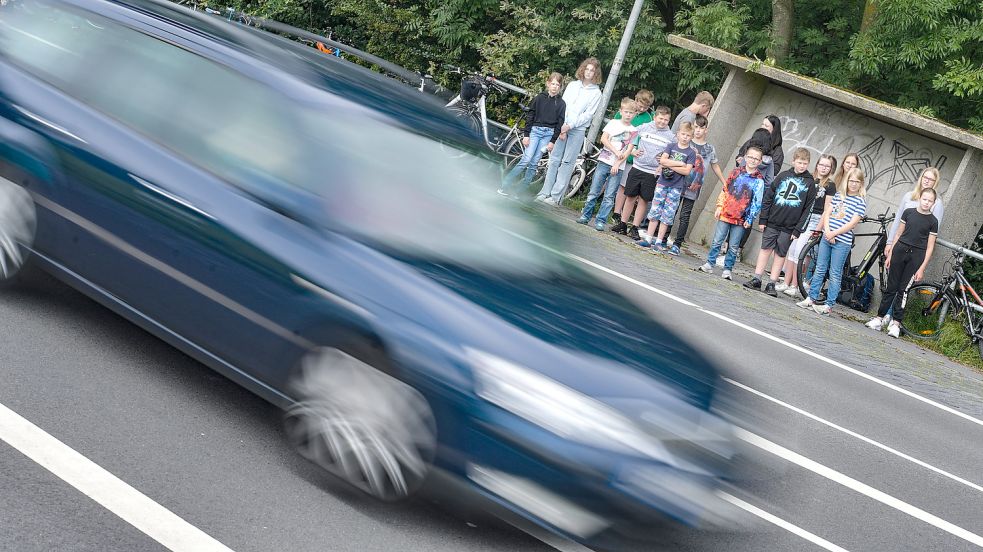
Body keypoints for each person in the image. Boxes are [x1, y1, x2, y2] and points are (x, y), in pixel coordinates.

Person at [866, 188, 939, 338]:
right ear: (920, 198)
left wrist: (922, 268)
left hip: (916, 256)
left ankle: (896, 323)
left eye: (930, 201)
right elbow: (898, 233)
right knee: (891, 287)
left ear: (933, 203)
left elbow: (930, 247)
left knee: (903, 290)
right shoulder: (909, 213)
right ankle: (879, 318)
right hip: (899, 251)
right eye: (924, 199)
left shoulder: (933, 221)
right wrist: (891, 254)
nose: (926, 202)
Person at [744, 148, 816, 296]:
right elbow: (768, 197)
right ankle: (757, 278)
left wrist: (798, 230)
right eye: (800, 162)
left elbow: (808, 209)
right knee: (765, 249)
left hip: (789, 227)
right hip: (772, 221)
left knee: (780, 254)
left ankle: (772, 282)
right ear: (794, 161)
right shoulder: (783, 176)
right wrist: (763, 219)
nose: (802, 166)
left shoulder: (810, 184)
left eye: (805, 163)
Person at [797, 167, 868, 315]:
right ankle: (811, 298)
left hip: (842, 242)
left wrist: (835, 233)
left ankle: (829, 305)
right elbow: (827, 213)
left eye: (856, 182)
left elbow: (852, 223)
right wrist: (828, 232)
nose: (853, 184)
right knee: (820, 268)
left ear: (861, 184)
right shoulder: (839, 196)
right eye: (851, 181)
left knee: (835, 273)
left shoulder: (860, 201)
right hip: (827, 236)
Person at [653, 115, 727, 255]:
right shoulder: (685, 142)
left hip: (694, 187)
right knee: (670, 211)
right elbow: (669, 158)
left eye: (701, 128)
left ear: (706, 130)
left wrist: (724, 182)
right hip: (676, 182)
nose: (698, 130)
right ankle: (661, 239)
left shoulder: (709, 149)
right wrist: (659, 168)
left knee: (685, 216)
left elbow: (715, 166)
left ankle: (677, 244)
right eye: (696, 127)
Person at [535, 58, 603, 205]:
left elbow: (588, 115)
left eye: (592, 70)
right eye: (587, 69)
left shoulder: (596, 93)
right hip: (561, 127)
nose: (589, 72)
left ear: (596, 73)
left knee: (567, 163)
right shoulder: (572, 85)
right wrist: (562, 126)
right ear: (583, 69)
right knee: (554, 160)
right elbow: (562, 105)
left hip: (577, 130)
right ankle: (544, 192)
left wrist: (570, 126)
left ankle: (555, 197)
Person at [697, 146, 766, 279]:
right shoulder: (735, 172)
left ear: (760, 161)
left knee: (733, 246)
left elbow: (757, 202)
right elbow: (725, 189)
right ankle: (709, 263)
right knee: (717, 240)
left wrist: (750, 219)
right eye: (750, 157)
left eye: (756, 158)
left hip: (741, 218)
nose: (752, 160)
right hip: (726, 213)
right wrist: (719, 206)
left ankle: (727, 269)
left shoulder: (759, 180)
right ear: (745, 157)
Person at [611, 106, 674, 240]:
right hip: (637, 167)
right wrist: (632, 151)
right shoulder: (645, 127)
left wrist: (664, 161)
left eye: (666, 120)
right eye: (660, 118)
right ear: (655, 117)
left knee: (644, 199)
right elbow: (629, 138)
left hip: (652, 172)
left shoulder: (671, 137)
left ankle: (635, 227)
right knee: (630, 196)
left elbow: (673, 153)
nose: (663, 122)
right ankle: (623, 223)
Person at [780, 153, 837, 298]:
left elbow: (827, 210)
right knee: (792, 249)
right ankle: (786, 282)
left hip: (815, 219)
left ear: (831, 169)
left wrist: (819, 228)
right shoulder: (810, 179)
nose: (823, 168)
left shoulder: (830, 186)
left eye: (827, 166)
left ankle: (795, 285)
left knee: (801, 251)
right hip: (803, 216)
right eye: (821, 165)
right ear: (817, 165)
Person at [500, 72, 565, 196]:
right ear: (548, 84)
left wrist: (552, 141)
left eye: (557, 84)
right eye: (553, 84)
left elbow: (559, 124)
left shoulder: (562, 104)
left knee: (534, 163)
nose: (555, 86)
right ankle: (505, 185)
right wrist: (526, 134)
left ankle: (519, 192)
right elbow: (531, 115)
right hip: (535, 131)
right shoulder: (539, 98)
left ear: (560, 87)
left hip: (548, 134)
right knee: (526, 159)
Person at [577, 98, 638, 229]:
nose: (628, 115)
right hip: (604, 161)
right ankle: (585, 215)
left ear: (635, 114)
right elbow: (604, 139)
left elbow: (628, 151)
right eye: (626, 111)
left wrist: (617, 164)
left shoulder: (634, 131)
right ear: (621, 111)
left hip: (619, 167)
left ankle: (601, 220)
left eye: (631, 113)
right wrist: (616, 151)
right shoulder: (613, 123)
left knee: (610, 195)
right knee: (594, 191)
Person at [641, 122, 696, 252]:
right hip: (662, 183)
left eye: (688, 135)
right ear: (677, 134)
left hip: (676, 187)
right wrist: (679, 164)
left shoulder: (691, 153)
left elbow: (687, 171)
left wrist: (669, 165)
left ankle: (659, 241)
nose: (685, 137)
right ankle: (648, 238)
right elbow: (662, 161)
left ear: (691, 137)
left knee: (667, 214)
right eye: (683, 134)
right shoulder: (670, 146)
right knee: (655, 209)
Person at [610, 90, 654, 226]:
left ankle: (619, 213)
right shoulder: (624, 111)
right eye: (640, 105)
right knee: (612, 182)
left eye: (645, 107)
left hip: (632, 157)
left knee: (624, 185)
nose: (641, 109)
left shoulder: (649, 117)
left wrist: (634, 150)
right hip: (617, 151)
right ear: (636, 100)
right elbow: (614, 129)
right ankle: (615, 211)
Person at [887, 167, 944, 244]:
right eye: (925, 177)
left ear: (935, 182)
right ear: (921, 178)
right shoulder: (908, 196)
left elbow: (932, 233)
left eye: (930, 179)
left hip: (916, 246)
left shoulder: (937, 203)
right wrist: (889, 242)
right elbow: (897, 220)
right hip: (899, 241)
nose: (926, 181)